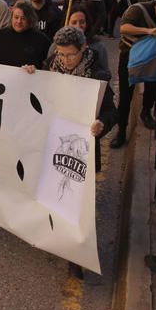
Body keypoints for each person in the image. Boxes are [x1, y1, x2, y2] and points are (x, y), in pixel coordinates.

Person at [24, 26, 117, 278]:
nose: (65, 60)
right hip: (52, 146)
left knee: (77, 204)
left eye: (70, 55)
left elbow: (112, 112)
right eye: (61, 55)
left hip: (81, 152)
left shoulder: (98, 76)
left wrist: (102, 124)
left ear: (83, 50)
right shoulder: (49, 71)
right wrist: (28, 76)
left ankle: (74, 256)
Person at [110, 0, 156, 149]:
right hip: (130, 56)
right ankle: (121, 131)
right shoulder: (138, 10)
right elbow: (123, 28)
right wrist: (148, 30)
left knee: (152, 87)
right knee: (125, 96)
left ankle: (146, 112)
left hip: (152, 57)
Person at [0, 0, 51, 68]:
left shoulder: (41, 40)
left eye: (23, 18)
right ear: (11, 17)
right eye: (16, 17)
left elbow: (49, 65)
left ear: (30, 19)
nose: (19, 21)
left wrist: (36, 69)